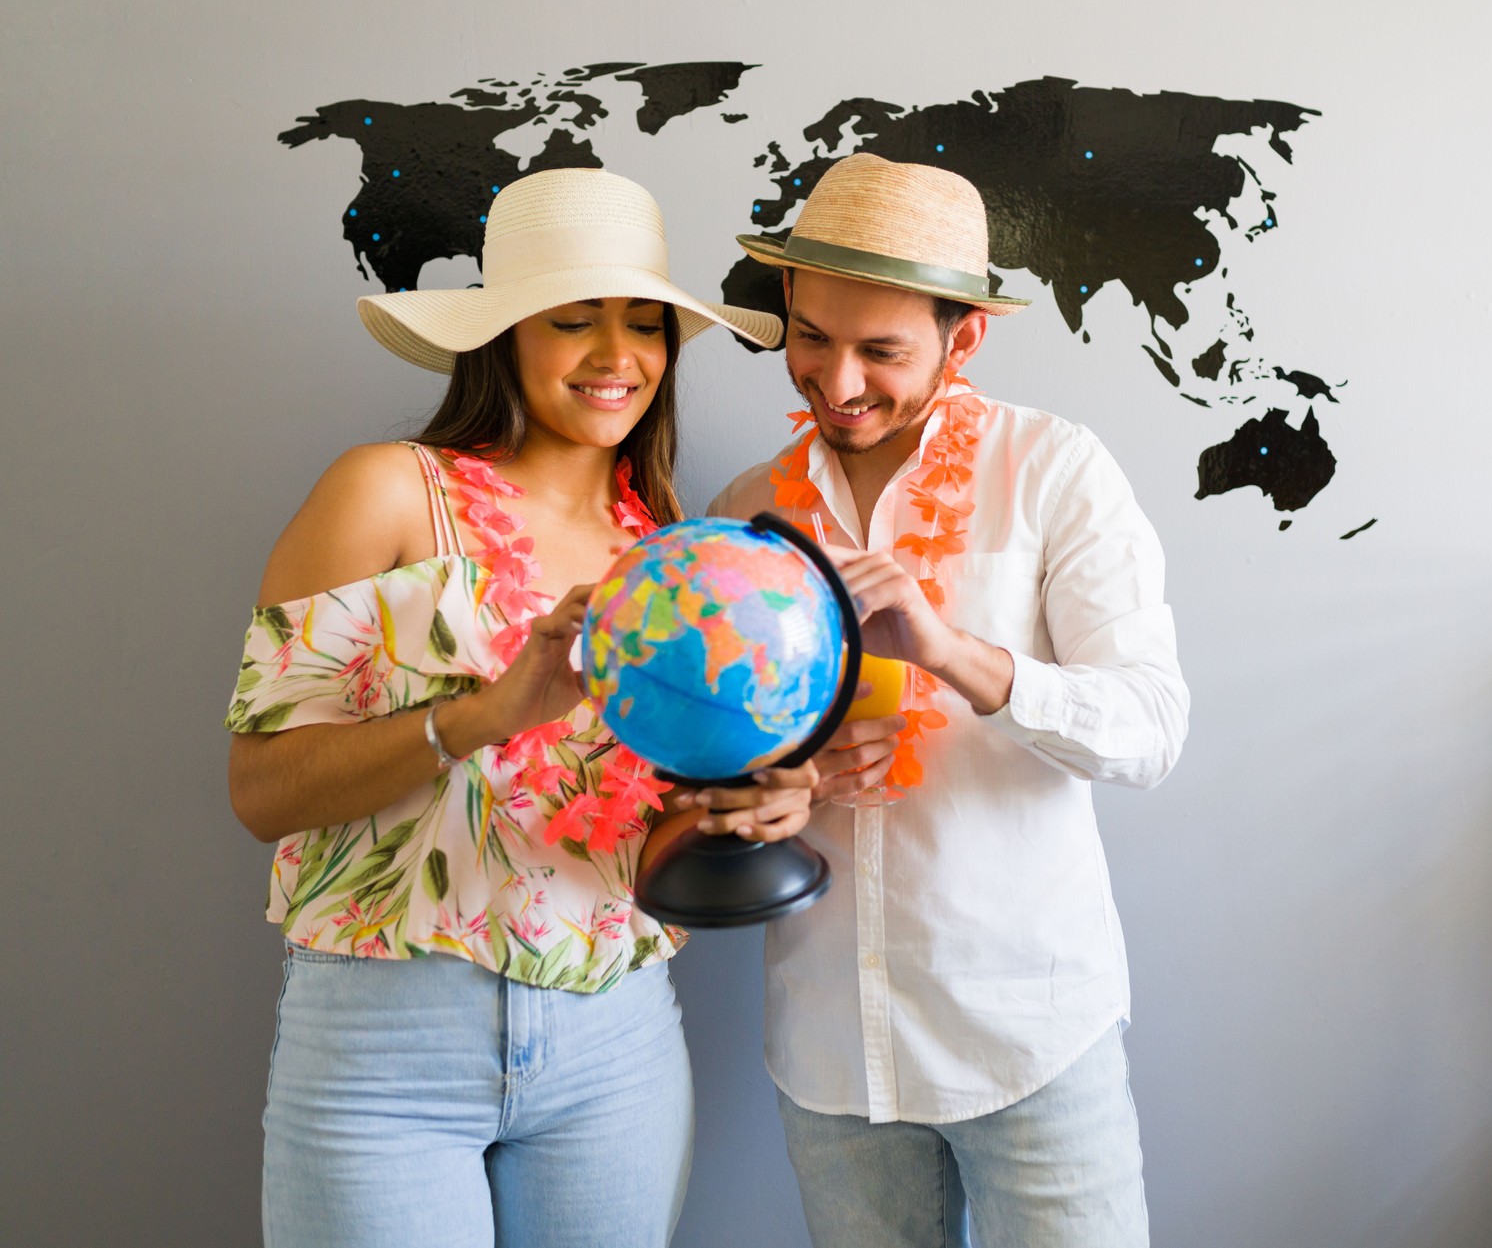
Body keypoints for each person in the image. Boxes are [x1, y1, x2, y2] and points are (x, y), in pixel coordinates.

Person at [225, 167, 815, 1248]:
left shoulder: (673, 553)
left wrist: (750, 805)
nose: (616, 356)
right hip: (386, 1045)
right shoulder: (387, 492)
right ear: (503, 336)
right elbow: (262, 792)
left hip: (616, 1044)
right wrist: (487, 713)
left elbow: (630, 831)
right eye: (572, 320)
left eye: (645, 324)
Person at [709, 153, 1191, 1248]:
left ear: (963, 338)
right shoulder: (746, 510)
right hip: (831, 1050)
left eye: (881, 351)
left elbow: (1153, 730)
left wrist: (955, 653)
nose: (836, 384)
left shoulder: (1056, 471)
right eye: (812, 339)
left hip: (1028, 1034)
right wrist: (775, 786)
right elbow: (721, 765)